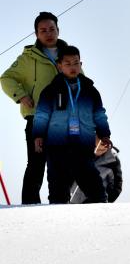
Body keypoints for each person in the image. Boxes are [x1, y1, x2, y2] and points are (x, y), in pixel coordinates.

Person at [1, 12, 69, 204]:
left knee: (62, 164)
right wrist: (21, 96)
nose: (48, 33)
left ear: (58, 30)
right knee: (36, 163)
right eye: (43, 30)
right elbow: (6, 78)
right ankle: (30, 205)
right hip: (37, 118)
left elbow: (82, 83)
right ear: (36, 34)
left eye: (52, 29)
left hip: (64, 119)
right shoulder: (28, 58)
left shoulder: (69, 55)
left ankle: (61, 203)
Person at [31, 46, 109, 204]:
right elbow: (41, 115)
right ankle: (58, 217)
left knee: (96, 192)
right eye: (67, 64)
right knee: (58, 194)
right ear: (59, 66)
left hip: (83, 146)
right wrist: (38, 135)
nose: (72, 67)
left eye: (76, 63)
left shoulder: (90, 91)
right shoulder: (50, 90)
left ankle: (102, 215)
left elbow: (99, 114)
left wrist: (104, 134)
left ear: (81, 64)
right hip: (57, 147)